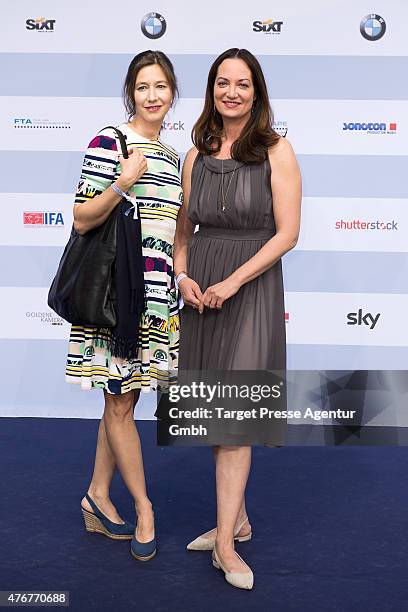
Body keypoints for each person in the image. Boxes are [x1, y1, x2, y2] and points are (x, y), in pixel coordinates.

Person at [173, 48, 301, 588]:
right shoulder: (193, 155)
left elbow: (288, 233)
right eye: (223, 83)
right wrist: (182, 276)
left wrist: (234, 280)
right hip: (201, 290)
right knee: (212, 413)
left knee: (236, 422)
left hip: (248, 289)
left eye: (242, 84)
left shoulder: (277, 150)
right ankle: (238, 519)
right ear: (212, 90)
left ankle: (225, 544)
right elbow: (181, 233)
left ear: (257, 92)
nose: (232, 92)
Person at [66, 50, 182, 561]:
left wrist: (182, 275)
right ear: (130, 93)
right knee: (118, 402)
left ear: (172, 91)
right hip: (118, 302)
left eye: (160, 86)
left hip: (158, 302)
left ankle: (95, 493)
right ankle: (144, 506)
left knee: (126, 402)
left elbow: (173, 235)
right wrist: (122, 180)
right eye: (143, 87)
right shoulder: (110, 141)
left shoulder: (177, 157)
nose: (152, 96)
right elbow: (83, 217)